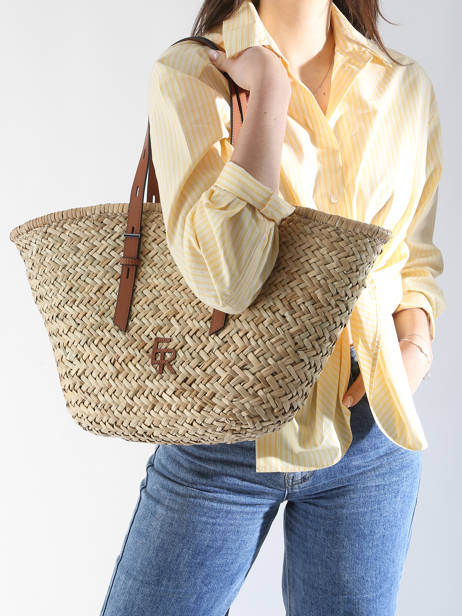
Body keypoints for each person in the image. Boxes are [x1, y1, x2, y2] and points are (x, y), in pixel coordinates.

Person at [99, 1, 446, 614]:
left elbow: (413, 259)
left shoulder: (404, 84)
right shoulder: (192, 73)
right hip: (223, 434)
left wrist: (415, 343)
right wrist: (270, 98)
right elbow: (229, 282)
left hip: (370, 435)